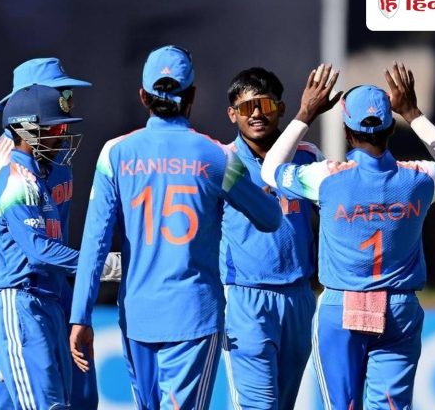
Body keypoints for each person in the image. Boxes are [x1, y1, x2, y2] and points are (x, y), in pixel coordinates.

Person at [69, 45, 281, 410]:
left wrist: (80, 315)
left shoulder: (115, 153)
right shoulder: (218, 156)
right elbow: (270, 218)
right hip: (193, 316)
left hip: (137, 316)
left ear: (143, 96)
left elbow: (95, 243)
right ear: (193, 95)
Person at [261, 63, 435, 409]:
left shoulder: (325, 178)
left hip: (341, 306)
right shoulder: (420, 178)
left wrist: (305, 113)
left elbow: (270, 171)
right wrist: (413, 113)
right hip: (399, 308)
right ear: (391, 127)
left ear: (346, 131)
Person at [0, 57, 98, 409]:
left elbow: (54, 237)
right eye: (60, 95)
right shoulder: (3, 169)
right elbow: (12, 250)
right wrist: (96, 263)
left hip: (51, 292)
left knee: (74, 402)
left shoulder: (54, 153)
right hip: (7, 295)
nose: (67, 104)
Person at [221, 67, 323, 409]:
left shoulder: (308, 155)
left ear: (280, 108)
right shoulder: (222, 161)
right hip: (245, 297)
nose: (256, 114)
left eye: (264, 105)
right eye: (246, 107)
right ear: (232, 114)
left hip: (298, 297)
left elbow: (336, 215)